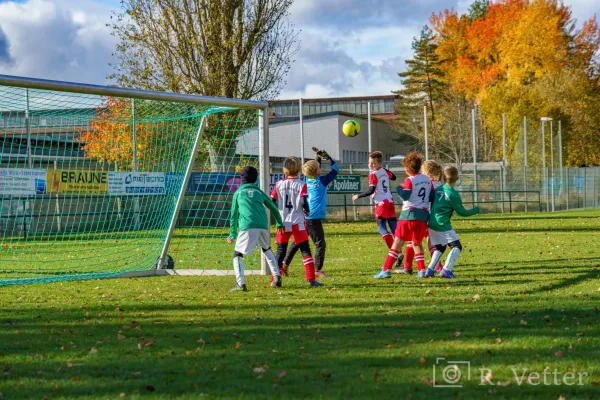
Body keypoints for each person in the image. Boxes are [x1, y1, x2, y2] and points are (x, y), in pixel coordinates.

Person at [374, 152, 434, 279]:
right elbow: (432, 196)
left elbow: (406, 195)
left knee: (397, 242)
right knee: (417, 243)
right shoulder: (427, 180)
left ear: (407, 169)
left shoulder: (409, 180)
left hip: (408, 215)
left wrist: (399, 189)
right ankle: (422, 270)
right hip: (422, 215)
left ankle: (386, 270)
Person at [281, 147, 339, 278]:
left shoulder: (307, 180)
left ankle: (285, 263)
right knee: (320, 244)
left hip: (304, 216)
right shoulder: (322, 182)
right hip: (313, 218)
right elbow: (336, 170)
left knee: (298, 241)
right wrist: (328, 157)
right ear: (318, 171)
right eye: (319, 167)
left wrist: (318, 157)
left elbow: (314, 168)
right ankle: (317, 270)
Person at [227, 166, 285, 292]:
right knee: (266, 249)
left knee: (237, 254)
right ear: (256, 179)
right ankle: (277, 277)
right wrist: (280, 223)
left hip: (248, 226)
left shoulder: (238, 193)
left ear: (241, 179)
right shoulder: (259, 192)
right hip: (263, 226)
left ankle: (240, 283)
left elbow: (233, 215)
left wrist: (232, 233)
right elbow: (273, 208)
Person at [272, 156, 323, 287]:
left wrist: (277, 216)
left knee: (280, 251)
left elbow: (272, 201)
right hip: (297, 222)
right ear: (299, 170)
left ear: (284, 169)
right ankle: (311, 280)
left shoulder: (279, 184)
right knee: (305, 250)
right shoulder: (301, 185)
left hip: (282, 222)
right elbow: (302, 201)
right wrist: (306, 210)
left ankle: (276, 279)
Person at [425, 166, 480, 278]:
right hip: (442, 225)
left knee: (440, 247)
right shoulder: (453, 195)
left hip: (432, 223)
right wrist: (475, 210)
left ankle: (430, 270)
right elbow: (462, 212)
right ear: (457, 178)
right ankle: (446, 270)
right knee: (456, 246)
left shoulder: (437, 190)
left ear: (443, 178)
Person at [398, 160, 444, 273]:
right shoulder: (440, 185)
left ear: (427, 172)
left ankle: (409, 267)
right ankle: (438, 267)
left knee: (415, 241)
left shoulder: (428, 183)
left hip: (424, 216)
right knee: (424, 242)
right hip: (435, 217)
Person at [352, 151, 398, 250]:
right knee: (394, 227)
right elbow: (393, 177)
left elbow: (371, 190)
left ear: (379, 163)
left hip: (381, 203)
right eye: (369, 163)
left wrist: (358, 196)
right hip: (390, 201)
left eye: (373, 163)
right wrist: (382, 167)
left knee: (381, 228)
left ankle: (396, 252)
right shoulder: (384, 171)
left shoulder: (373, 174)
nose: (370, 165)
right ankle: (400, 249)